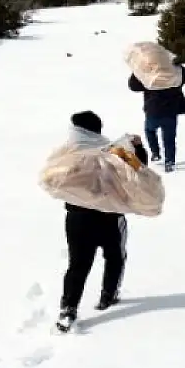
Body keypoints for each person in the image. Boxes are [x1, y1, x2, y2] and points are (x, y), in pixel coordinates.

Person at [57, 110, 149, 332]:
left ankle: (68, 308)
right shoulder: (113, 150)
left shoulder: (67, 154)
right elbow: (138, 167)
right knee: (115, 256)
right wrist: (137, 147)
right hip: (110, 218)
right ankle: (109, 295)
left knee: (78, 264)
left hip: (77, 219)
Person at [128, 65, 185, 172]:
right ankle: (169, 162)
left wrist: (138, 69)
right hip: (171, 112)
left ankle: (155, 152)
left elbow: (133, 86)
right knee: (169, 139)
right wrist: (175, 65)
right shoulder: (173, 74)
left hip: (153, 112)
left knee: (149, 130)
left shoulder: (149, 76)